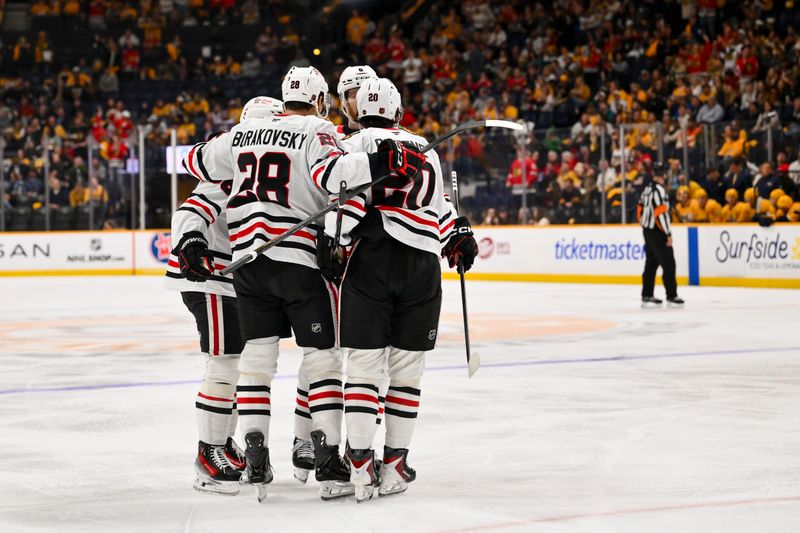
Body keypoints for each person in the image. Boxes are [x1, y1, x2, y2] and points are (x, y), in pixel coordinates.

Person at [182, 66, 425, 502]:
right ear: (318, 101)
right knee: (323, 359)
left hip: (246, 266)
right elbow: (338, 177)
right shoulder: (317, 129)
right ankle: (328, 457)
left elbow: (193, 162)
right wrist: (379, 161)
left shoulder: (240, 137)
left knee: (254, 362)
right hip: (298, 261)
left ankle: (256, 457)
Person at [322, 78, 478, 502]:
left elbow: (342, 200)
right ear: (399, 112)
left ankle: (358, 464)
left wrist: (333, 239)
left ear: (358, 111)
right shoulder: (425, 146)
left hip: (371, 260)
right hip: (422, 267)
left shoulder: (353, 144)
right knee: (407, 374)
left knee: (363, 369)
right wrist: (458, 235)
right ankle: (394, 464)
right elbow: (439, 209)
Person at [167, 95, 284, 496]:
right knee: (225, 364)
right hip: (211, 278)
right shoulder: (234, 165)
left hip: (230, 278)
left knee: (235, 364)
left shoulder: (253, 164)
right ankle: (208, 453)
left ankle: (221, 444)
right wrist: (191, 240)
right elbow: (191, 209)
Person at [637, 163, 683, 308]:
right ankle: (671, 295)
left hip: (648, 229)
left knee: (651, 262)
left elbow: (639, 209)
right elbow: (660, 214)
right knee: (669, 262)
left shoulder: (646, 189)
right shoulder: (659, 191)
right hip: (658, 231)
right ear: (663, 174)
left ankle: (647, 294)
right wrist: (667, 233)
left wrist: (644, 225)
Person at [335, 64, 377, 137]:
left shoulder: (392, 137)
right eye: (354, 95)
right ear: (343, 101)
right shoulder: (333, 137)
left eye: (368, 94)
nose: (361, 100)